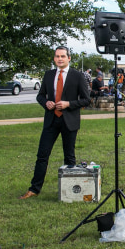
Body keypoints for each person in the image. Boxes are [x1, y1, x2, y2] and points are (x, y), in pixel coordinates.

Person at [18, 47, 90, 200]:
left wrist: (68, 104)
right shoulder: (49, 75)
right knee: (42, 156)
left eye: (63, 56)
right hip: (51, 120)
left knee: (69, 157)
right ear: (54, 58)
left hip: (69, 121)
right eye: (57, 56)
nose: (60, 59)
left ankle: (71, 191)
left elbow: (86, 99)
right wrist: (46, 103)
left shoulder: (77, 76)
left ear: (69, 58)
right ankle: (34, 189)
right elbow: (40, 96)